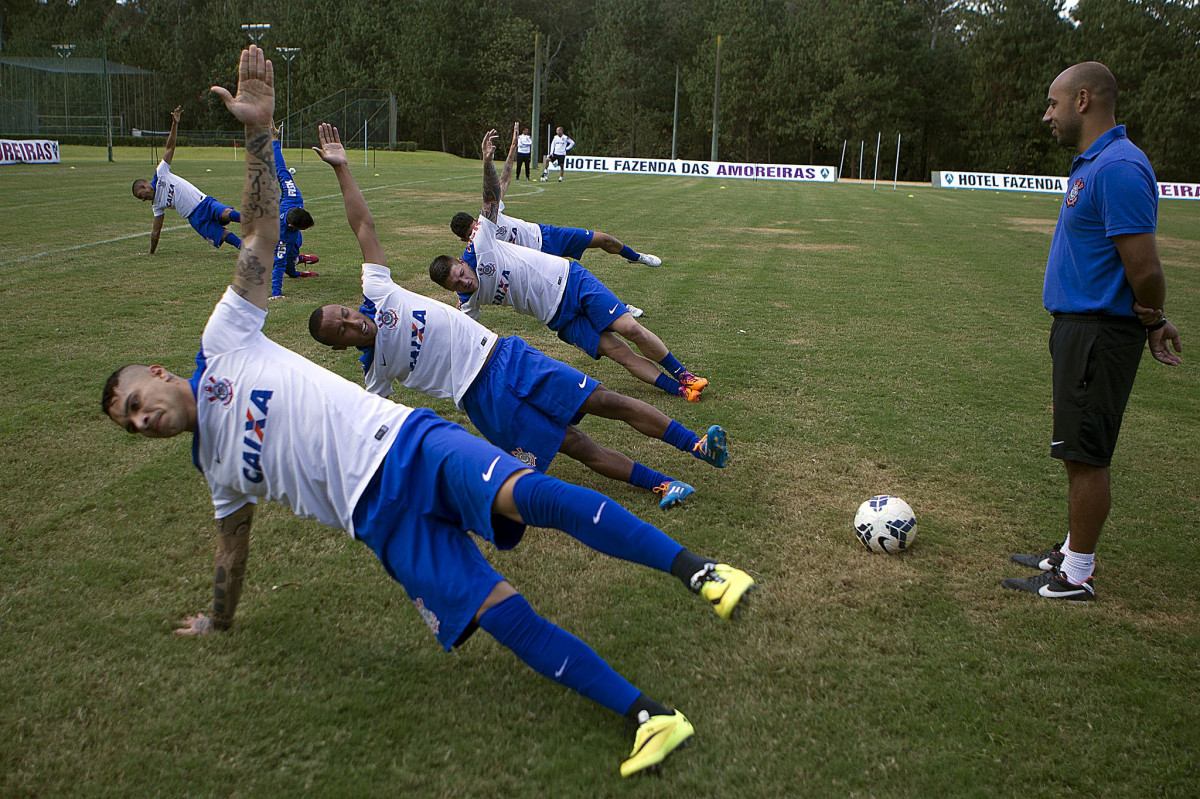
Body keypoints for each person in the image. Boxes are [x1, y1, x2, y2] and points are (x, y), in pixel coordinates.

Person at [101, 45, 755, 778]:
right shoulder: (217, 470)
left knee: (529, 492)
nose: (138, 418)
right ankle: (647, 715)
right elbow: (231, 552)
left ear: (157, 375)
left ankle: (703, 571)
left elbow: (258, 237)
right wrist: (216, 618)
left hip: (405, 443)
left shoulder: (222, 343)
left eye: (133, 402)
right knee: (500, 612)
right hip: (379, 523)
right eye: (129, 423)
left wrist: (260, 135)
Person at [306, 123, 726, 510]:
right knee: (575, 444)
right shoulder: (375, 372)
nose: (350, 323)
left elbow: (364, 226)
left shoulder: (378, 293)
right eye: (340, 330)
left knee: (606, 400)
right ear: (340, 347)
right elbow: (363, 428)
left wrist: (343, 168)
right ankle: (660, 484)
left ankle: (696, 445)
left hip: (508, 356)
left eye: (343, 313)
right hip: (484, 401)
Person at [1003, 61, 1183, 601]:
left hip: (1101, 333)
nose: (1047, 115)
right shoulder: (1096, 163)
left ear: (1083, 100)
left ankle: (1075, 574)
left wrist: (1150, 320)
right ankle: (1070, 548)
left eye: (1052, 103)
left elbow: (1146, 270)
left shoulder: (1119, 168)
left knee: (1087, 454)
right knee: (1076, 447)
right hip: (1081, 328)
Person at [431, 130, 708, 402]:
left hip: (570, 280)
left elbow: (492, 197)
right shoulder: (467, 300)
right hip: (558, 319)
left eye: (461, 274)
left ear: (460, 261)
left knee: (630, 329)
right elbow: (460, 335)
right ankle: (680, 391)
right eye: (456, 284)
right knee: (619, 353)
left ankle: (684, 375)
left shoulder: (479, 245)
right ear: (450, 289)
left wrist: (488, 162)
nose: (464, 282)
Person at [451, 122, 663, 271]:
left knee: (602, 239)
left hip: (545, 234)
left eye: (474, 225)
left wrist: (512, 148)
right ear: (464, 239)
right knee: (578, 279)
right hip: (535, 262)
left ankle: (636, 257)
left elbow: (503, 181)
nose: (477, 229)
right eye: (471, 233)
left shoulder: (488, 217)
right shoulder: (478, 249)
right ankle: (622, 307)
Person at [131, 105, 242, 254]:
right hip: (195, 218)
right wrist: (151, 252)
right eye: (140, 199)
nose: (142, 199)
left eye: (140, 195)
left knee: (226, 213)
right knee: (222, 234)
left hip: (204, 202)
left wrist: (175, 123)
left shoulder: (161, 174)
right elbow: (156, 231)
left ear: (144, 186)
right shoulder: (157, 205)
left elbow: (170, 147)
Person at [269, 122, 319, 300]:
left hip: (293, 238)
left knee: (293, 249)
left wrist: (275, 139)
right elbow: (278, 265)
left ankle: (297, 257)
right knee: (287, 266)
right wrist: (276, 293)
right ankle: (298, 263)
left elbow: (280, 169)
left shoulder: (293, 195)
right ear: (292, 225)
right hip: (284, 238)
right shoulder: (283, 236)